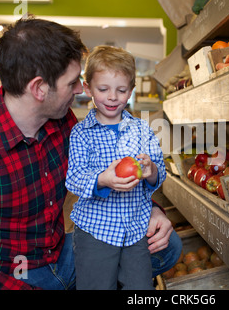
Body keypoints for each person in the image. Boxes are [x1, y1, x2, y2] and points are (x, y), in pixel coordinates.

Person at [0, 17, 181, 290]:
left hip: (63, 255)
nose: (82, 90)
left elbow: (107, 171)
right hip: (15, 275)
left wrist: (151, 210)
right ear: (39, 88)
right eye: (72, 83)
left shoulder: (62, 120)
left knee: (168, 245)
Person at [65, 45, 167, 290]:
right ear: (88, 88)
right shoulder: (81, 133)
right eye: (103, 89)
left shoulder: (142, 129)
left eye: (121, 90)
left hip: (135, 229)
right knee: (96, 285)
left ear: (130, 91)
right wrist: (102, 179)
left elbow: (159, 171)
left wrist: (151, 169)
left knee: (140, 287)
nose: (112, 97)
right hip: (95, 231)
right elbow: (74, 177)